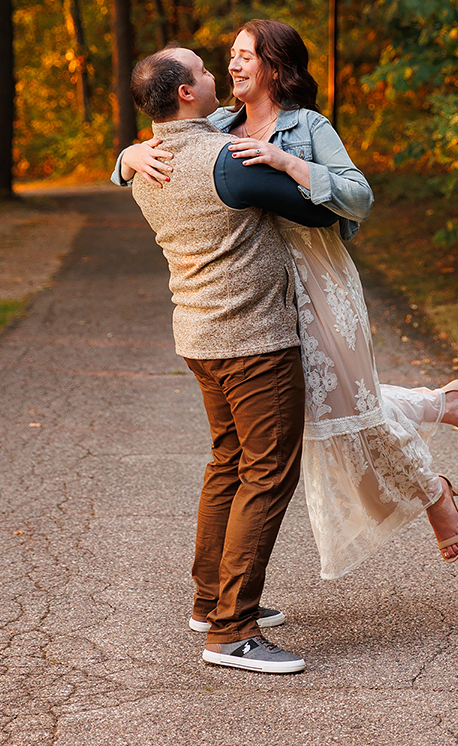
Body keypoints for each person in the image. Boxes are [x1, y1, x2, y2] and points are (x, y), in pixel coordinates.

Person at [116, 21, 458, 580]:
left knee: (341, 407)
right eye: (228, 57)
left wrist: (292, 163)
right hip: (261, 292)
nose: (233, 66)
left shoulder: (309, 126)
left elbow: (358, 196)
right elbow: (175, 142)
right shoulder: (217, 124)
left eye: (246, 56)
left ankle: (434, 489)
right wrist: (126, 157)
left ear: (274, 65)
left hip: (317, 279)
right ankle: (441, 407)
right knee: (323, 411)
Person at [123, 44, 339, 675]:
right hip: (254, 342)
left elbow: (132, 161)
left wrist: (123, 155)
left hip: (198, 336)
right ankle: (232, 632)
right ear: (187, 94)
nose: (216, 74)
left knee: (229, 462)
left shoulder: (146, 162)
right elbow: (324, 209)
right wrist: (291, 162)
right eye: (203, 71)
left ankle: (209, 600)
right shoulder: (229, 162)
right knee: (268, 473)